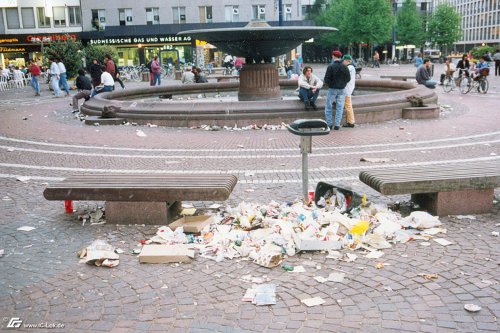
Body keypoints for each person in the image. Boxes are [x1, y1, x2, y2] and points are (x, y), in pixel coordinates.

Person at [323, 50, 351, 130]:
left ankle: (329, 124)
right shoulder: (345, 67)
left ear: (333, 56)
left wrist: (330, 84)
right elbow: (348, 79)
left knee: (328, 106)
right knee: (340, 107)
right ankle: (337, 125)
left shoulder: (331, 66)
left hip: (332, 89)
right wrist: (343, 83)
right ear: (340, 57)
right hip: (342, 89)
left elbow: (326, 79)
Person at [342, 55, 356, 128]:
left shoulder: (349, 67)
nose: (343, 61)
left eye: (343, 60)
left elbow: (346, 78)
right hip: (349, 89)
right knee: (348, 105)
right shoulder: (352, 67)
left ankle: (351, 122)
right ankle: (350, 121)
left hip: (347, 89)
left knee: (348, 106)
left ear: (347, 60)